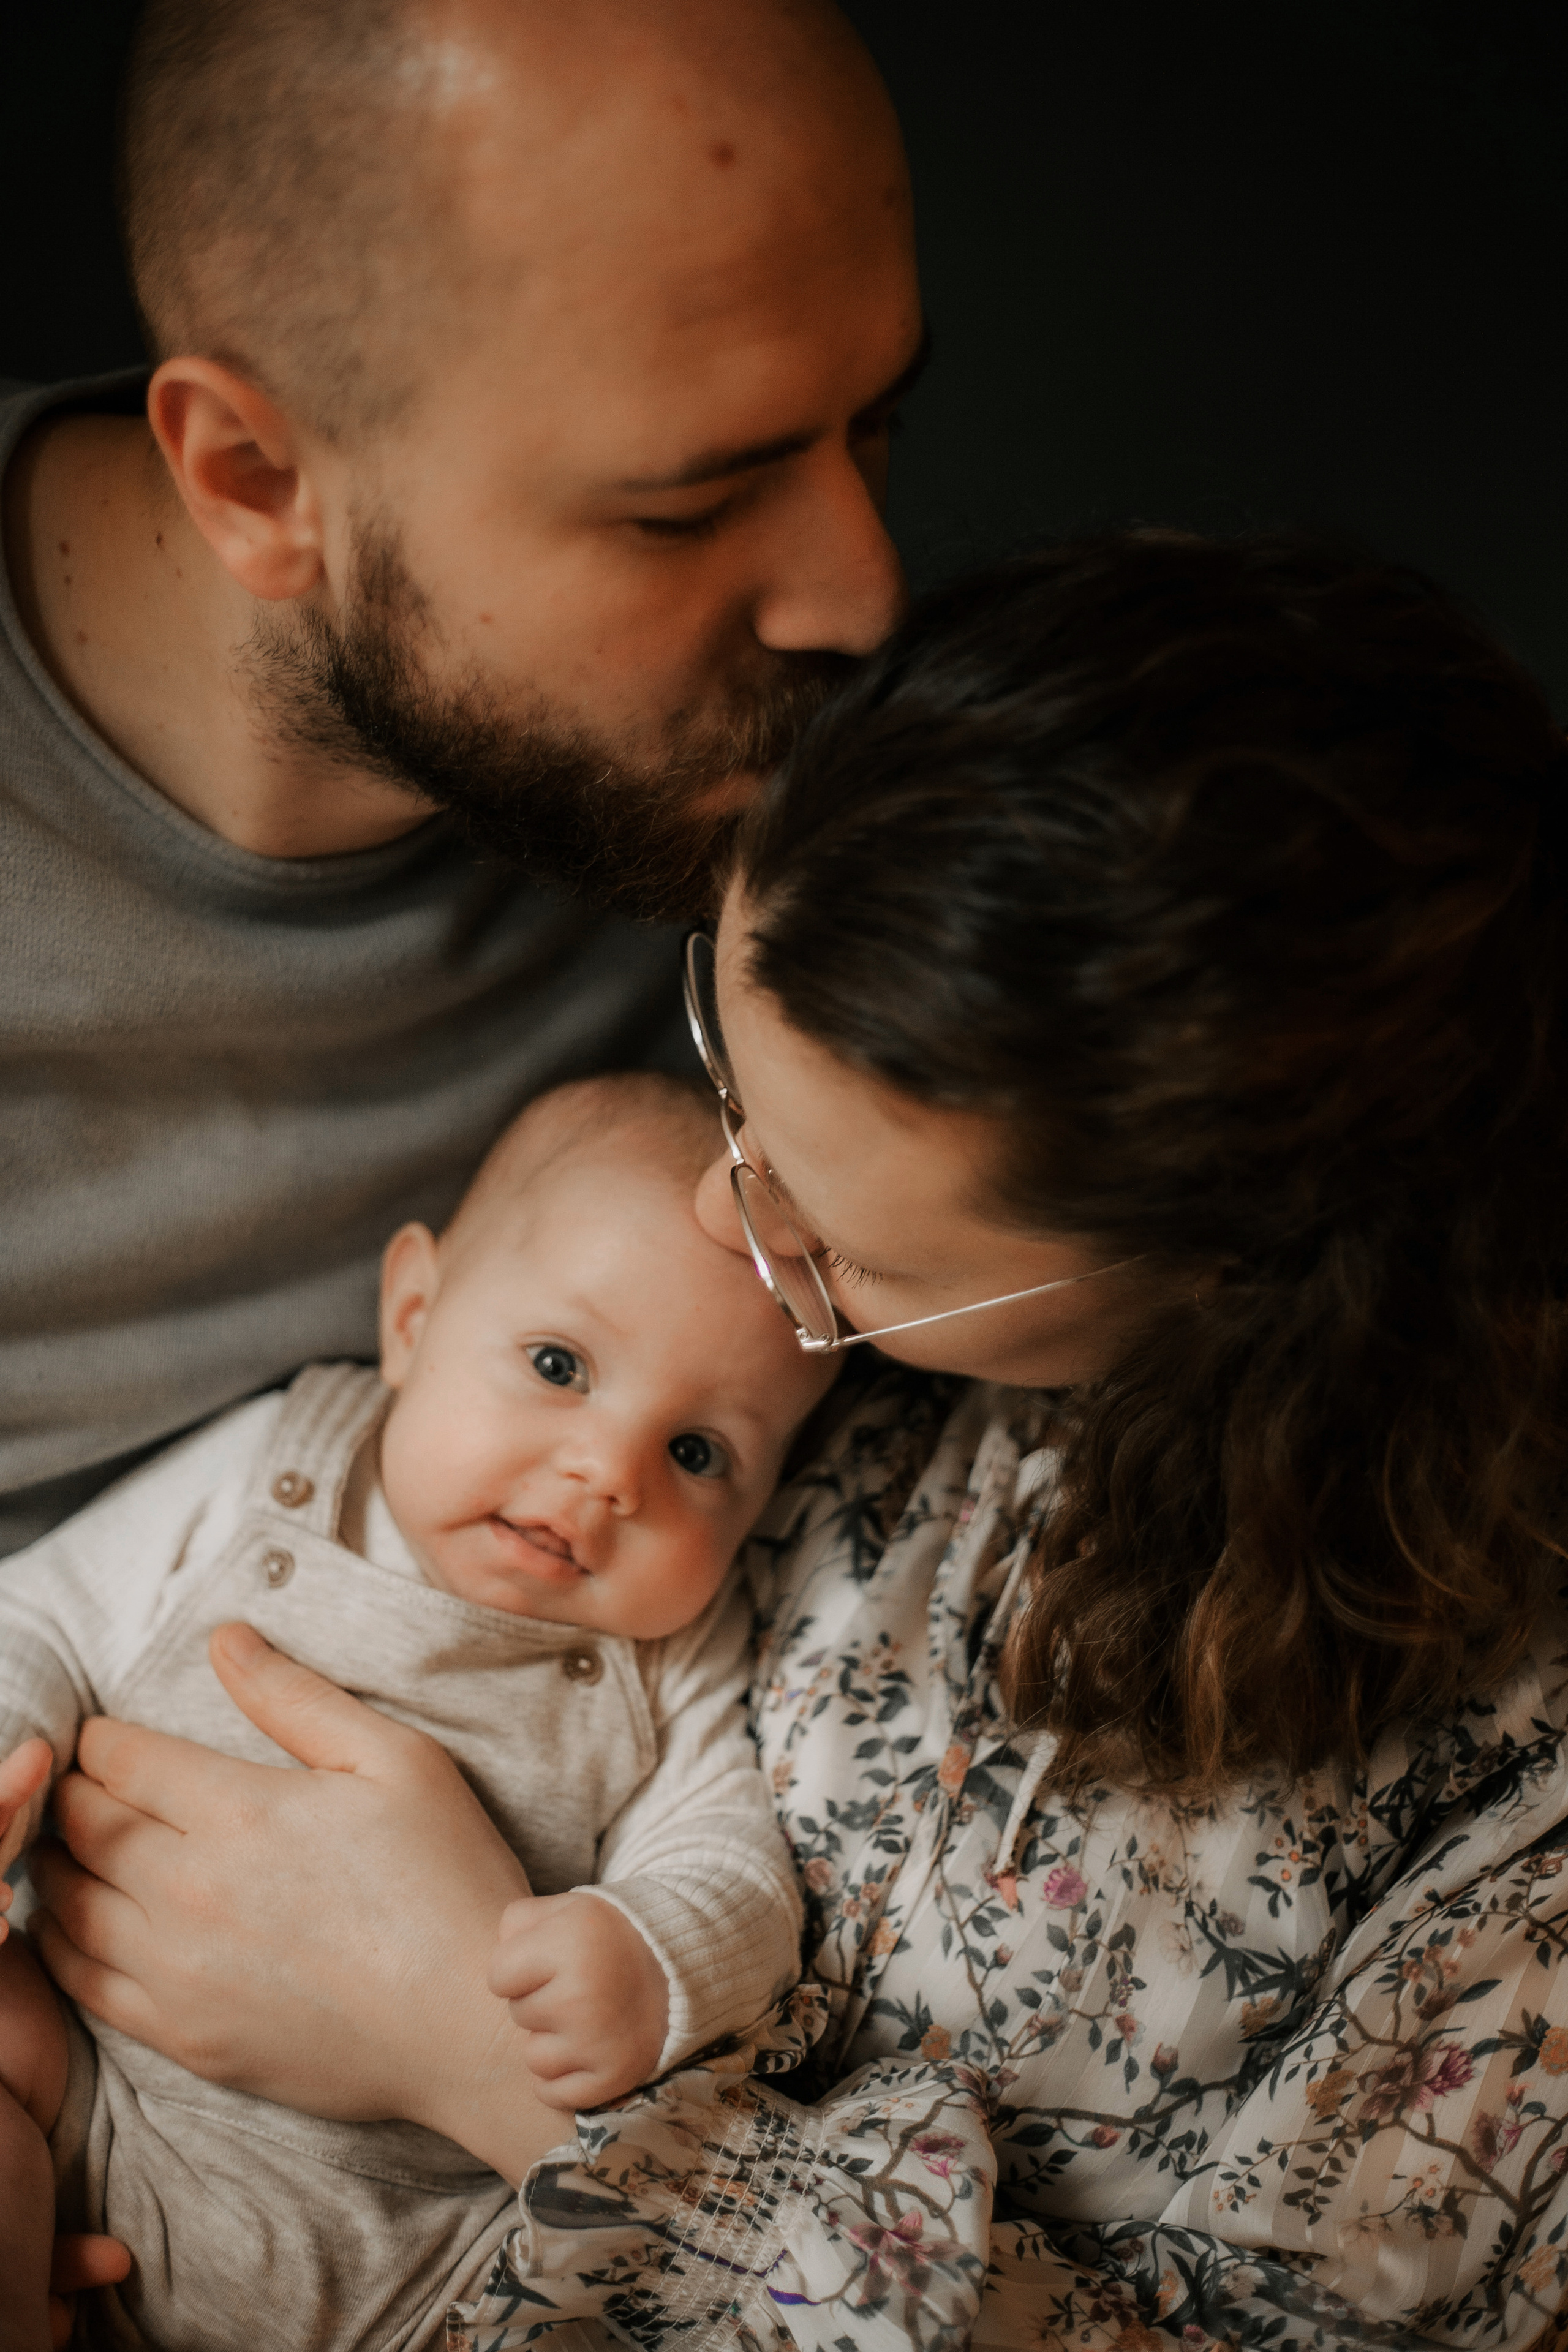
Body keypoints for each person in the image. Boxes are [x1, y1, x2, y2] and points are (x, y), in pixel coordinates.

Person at [26, 532, 1568, 2351]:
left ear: (1247, 1285)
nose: (726, 1227)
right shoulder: (678, 1318)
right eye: (728, 1079)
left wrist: (461, 2047)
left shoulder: (1511, 1815)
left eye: (845, 1251)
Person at [1, 0, 918, 1559]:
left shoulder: (796, 820)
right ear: (255, 479)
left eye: (874, 428)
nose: (861, 599)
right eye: (688, 508)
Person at [0, 1072, 832, 2350]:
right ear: (413, 1313)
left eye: (698, 1452)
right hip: (82, 2097)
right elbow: (45, 1613)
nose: (605, 1472)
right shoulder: (282, 1460)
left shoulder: (673, 1652)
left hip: (413, 2251)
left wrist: (651, 1954)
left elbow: (735, 1864)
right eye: (559, 1365)